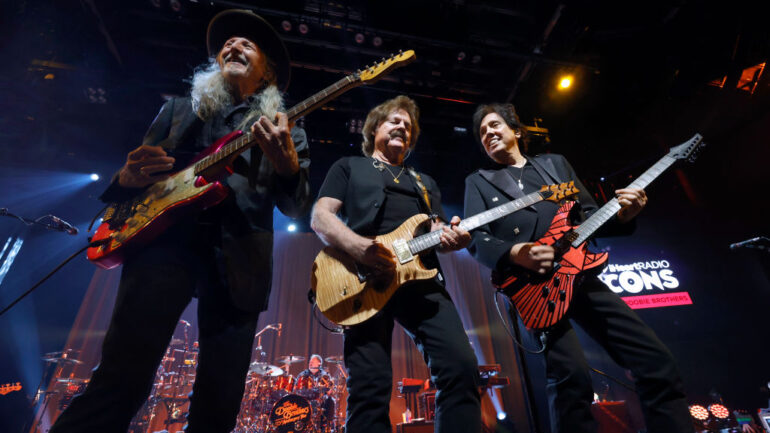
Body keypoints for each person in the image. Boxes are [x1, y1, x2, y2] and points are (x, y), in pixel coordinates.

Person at [50, 9, 311, 433]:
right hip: (162, 246)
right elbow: (132, 180)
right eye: (228, 42)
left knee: (220, 399)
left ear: (268, 74)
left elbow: (298, 209)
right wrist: (125, 176)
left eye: (249, 44)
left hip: (240, 259)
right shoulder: (175, 111)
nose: (234, 45)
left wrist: (287, 167)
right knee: (121, 379)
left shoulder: (287, 130)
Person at [463, 103, 693, 433]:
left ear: (516, 131)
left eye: (494, 125)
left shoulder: (553, 165)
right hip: (534, 288)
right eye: (482, 133)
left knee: (656, 361)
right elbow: (475, 237)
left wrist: (625, 215)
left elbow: (588, 215)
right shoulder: (479, 181)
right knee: (570, 378)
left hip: (580, 273)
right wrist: (516, 252)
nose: (488, 133)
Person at [311, 95, 481, 433]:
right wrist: (360, 248)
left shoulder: (424, 182)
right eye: (393, 121)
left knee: (461, 368)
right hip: (364, 278)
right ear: (374, 129)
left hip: (422, 279)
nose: (402, 126)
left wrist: (454, 238)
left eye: (408, 125)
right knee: (369, 388)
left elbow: (437, 230)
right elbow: (320, 217)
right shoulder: (348, 166)